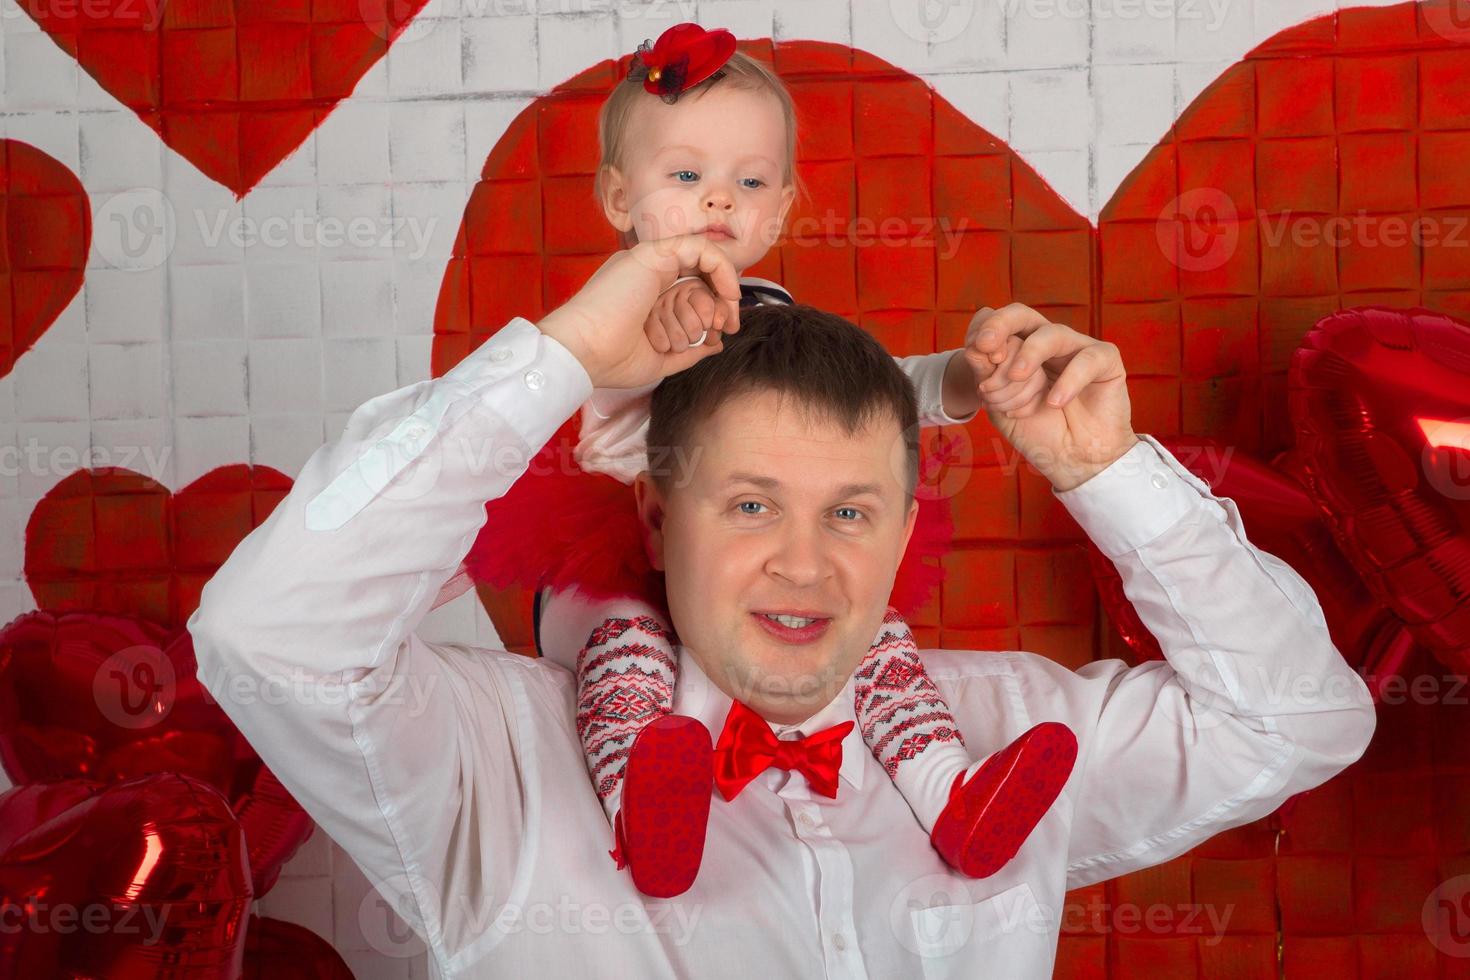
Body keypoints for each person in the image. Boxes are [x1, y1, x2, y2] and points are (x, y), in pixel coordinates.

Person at [188, 234, 1376, 979]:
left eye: (851, 512)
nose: (805, 566)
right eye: (751, 507)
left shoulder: (1005, 728)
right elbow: (270, 636)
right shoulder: (489, 762)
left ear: (907, 528)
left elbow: (1303, 719)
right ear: (657, 519)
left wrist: (1106, 472)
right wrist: (559, 363)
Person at [460, 23, 1076, 898]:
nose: (719, 201)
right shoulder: (610, 314)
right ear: (615, 196)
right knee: (625, 645)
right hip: (615, 545)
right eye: (685, 177)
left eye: (748, 183)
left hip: (752, 528)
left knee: (882, 644)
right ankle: (646, 808)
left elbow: (866, 396)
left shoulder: (779, 314)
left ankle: (953, 795)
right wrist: (626, 348)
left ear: (781, 208)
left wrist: (960, 380)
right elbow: (534, 416)